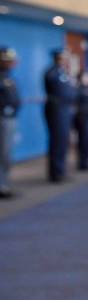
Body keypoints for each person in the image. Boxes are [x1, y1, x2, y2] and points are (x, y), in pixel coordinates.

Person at [43, 48, 75, 183]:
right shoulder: (52, 72)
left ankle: (61, 170)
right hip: (56, 109)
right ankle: (55, 173)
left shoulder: (62, 72)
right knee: (57, 141)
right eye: (62, 57)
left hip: (64, 109)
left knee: (63, 141)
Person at [0, 46, 20, 198]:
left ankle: (4, 184)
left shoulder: (8, 76)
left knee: (6, 154)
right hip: (2, 119)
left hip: (9, 119)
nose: (10, 63)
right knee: (3, 154)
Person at [74, 70, 88, 171]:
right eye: (85, 77)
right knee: (83, 140)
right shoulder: (78, 89)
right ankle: (82, 162)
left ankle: (87, 161)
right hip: (82, 117)